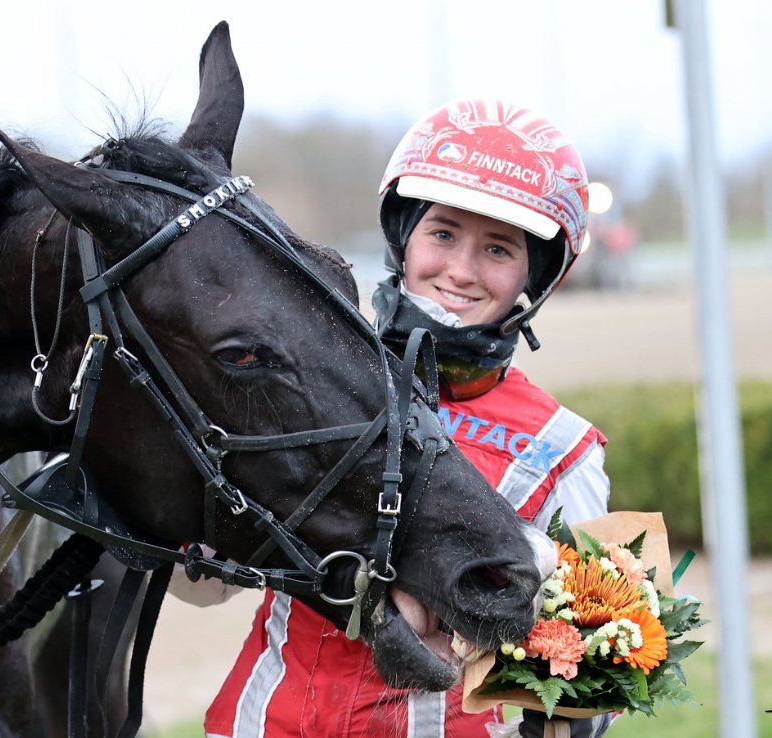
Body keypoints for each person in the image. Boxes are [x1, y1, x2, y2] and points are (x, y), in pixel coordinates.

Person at [197, 99, 612, 738]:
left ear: (535, 274)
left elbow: (596, 677)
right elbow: (203, 586)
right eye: (442, 234)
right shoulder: (305, 381)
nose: (460, 271)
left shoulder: (563, 448)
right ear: (404, 237)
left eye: (498, 249)